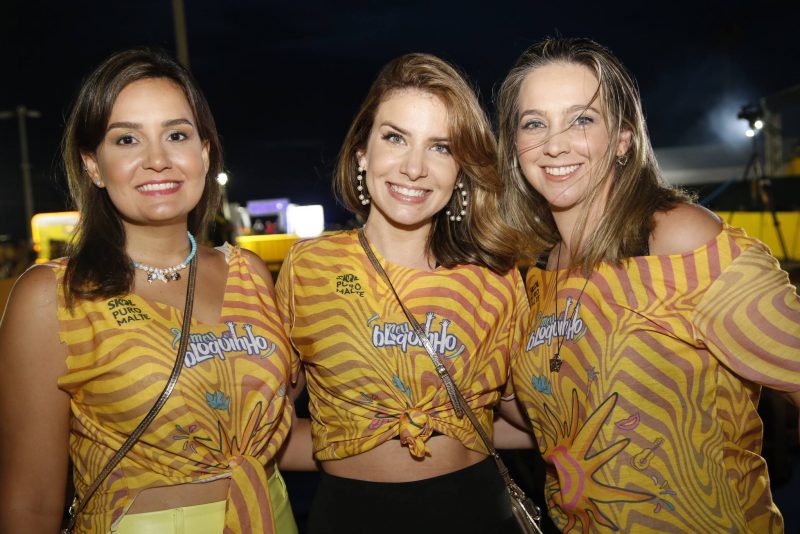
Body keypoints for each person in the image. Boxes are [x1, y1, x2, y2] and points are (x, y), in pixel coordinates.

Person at [497, 37, 800, 533]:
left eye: (582, 119)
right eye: (535, 123)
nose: (555, 143)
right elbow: (550, 422)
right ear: (515, 144)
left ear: (622, 137)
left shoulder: (679, 240)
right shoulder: (536, 275)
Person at [0, 48, 298, 534]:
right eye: (127, 139)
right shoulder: (52, 297)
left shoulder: (249, 274)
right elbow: (30, 505)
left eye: (176, 135)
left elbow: (279, 439)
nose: (157, 160)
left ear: (204, 153)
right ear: (93, 165)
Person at [275, 53, 530, 534]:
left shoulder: (494, 278)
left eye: (440, 147)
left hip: (477, 509)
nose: (414, 168)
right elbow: (265, 424)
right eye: (395, 138)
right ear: (362, 153)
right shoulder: (309, 267)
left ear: (461, 170)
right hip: (349, 513)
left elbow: (531, 416)